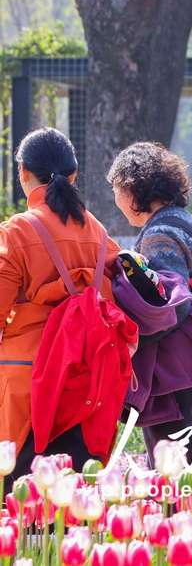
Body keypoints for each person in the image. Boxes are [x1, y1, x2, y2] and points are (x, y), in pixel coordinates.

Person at [0, 128, 125, 489]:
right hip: (88, 376)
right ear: (73, 175)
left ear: (22, 171)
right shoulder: (99, 232)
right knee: (72, 499)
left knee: (21, 499)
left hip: (27, 375)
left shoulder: (17, 231)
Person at [107, 141, 192, 473]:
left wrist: (129, 339)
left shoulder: (159, 234)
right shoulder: (183, 220)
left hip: (176, 380)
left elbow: (172, 307)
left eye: (116, 190)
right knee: (190, 468)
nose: (116, 200)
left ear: (131, 190)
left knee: (179, 477)